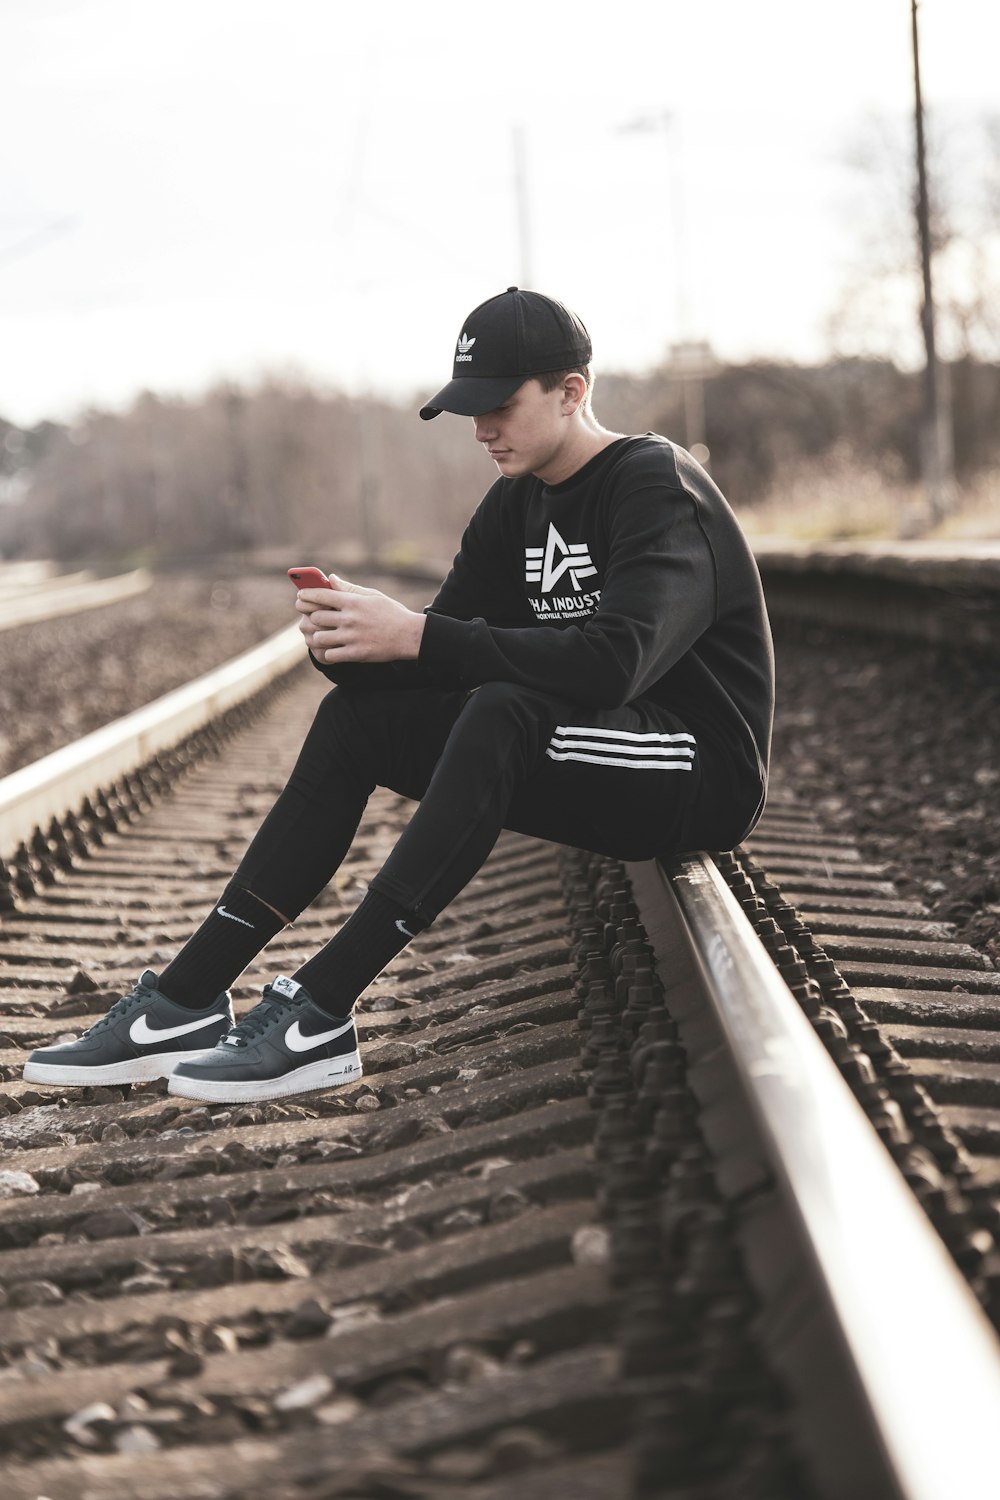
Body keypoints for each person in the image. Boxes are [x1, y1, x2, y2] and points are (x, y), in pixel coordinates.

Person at [23, 287, 774, 1103]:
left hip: (696, 766)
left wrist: (415, 634)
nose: (482, 428)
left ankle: (319, 1012)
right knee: (357, 721)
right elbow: (441, 656)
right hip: (598, 747)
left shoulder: (654, 484)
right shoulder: (513, 505)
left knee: (505, 712)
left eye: (500, 406)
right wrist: (354, 645)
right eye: (468, 410)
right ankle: (184, 999)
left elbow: (613, 665)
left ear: (572, 392)